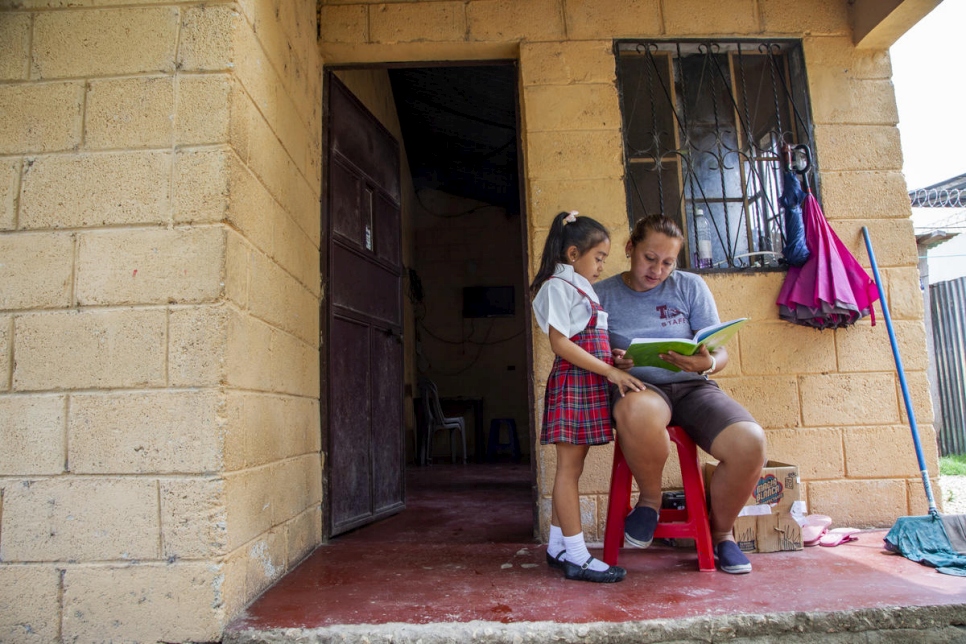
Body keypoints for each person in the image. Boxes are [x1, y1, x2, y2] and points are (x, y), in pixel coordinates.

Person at [595, 214, 766, 574]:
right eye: (649, 258)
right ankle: (650, 502)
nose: (658, 269)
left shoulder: (690, 287)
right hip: (639, 387)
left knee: (750, 441)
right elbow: (590, 353)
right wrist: (611, 363)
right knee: (638, 411)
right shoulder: (602, 294)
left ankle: (722, 536)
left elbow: (720, 352)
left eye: (668, 262)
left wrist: (705, 364)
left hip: (693, 387)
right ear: (630, 249)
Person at [531, 210, 646, 583]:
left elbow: (587, 339)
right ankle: (577, 557)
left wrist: (609, 358)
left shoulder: (582, 287)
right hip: (573, 384)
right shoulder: (557, 287)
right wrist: (609, 371)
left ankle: (556, 546)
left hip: (588, 380)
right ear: (572, 254)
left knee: (572, 468)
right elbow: (561, 343)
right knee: (569, 470)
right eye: (597, 258)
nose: (601, 266)